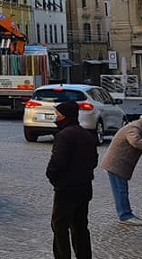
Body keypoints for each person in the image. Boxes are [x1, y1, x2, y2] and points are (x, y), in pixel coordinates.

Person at [46, 101, 97, 259]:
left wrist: (54, 179)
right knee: (80, 227)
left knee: (60, 227)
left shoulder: (63, 136)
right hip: (84, 187)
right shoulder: (87, 134)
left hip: (66, 189)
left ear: (65, 116)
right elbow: (93, 160)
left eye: (58, 115)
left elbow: (57, 163)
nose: (56, 118)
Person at [99, 113, 142, 225]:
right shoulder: (134, 128)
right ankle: (125, 215)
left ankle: (125, 214)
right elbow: (136, 142)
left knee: (121, 189)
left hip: (119, 164)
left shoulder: (141, 128)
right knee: (120, 190)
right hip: (116, 164)